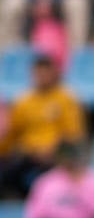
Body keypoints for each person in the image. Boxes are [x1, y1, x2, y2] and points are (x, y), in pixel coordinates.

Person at [0, 54, 86, 198]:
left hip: (56, 155)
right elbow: (12, 135)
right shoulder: (23, 101)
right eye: (37, 73)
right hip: (27, 155)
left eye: (45, 73)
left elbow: (74, 133)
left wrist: (52, 149)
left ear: (53, 73)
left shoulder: (66, 99)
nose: (41, 77)